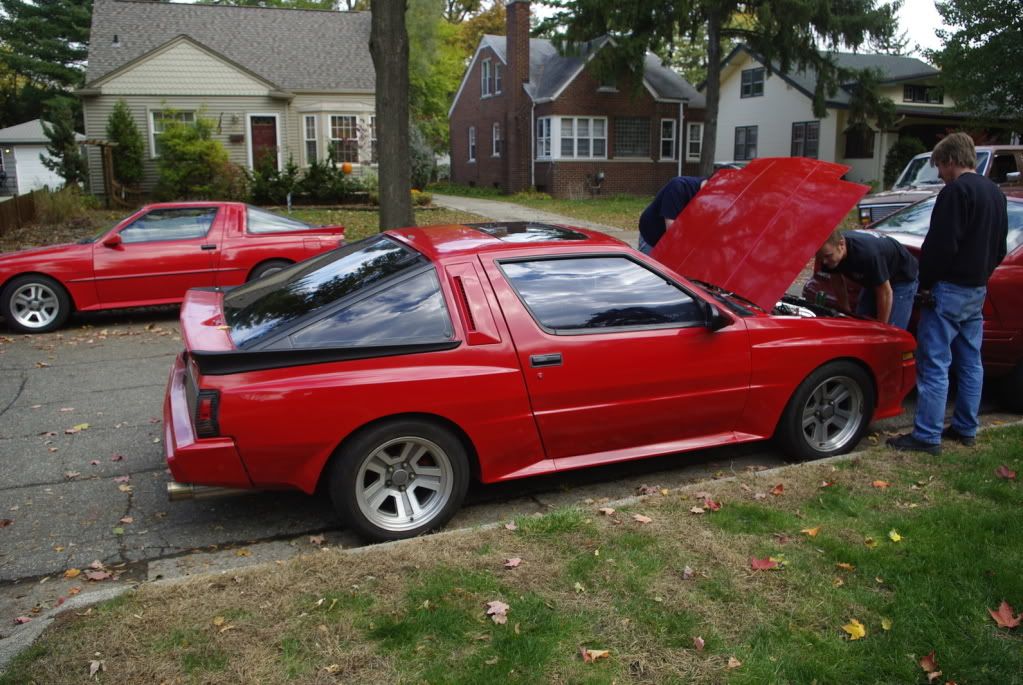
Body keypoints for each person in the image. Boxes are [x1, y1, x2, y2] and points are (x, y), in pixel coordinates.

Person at [888, 132, 1008, 455]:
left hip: (948, 288)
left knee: (935, 362)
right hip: (976, 289)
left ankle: (927, 435)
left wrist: (925, 283)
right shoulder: (995, 194)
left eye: (939, 166)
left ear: (952, 160)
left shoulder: (955, 193)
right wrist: (982, 275)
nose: (939, 174)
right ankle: (966, 427)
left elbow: (941, 246)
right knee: (971, 361)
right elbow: (1000, 247)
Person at [816, 229, 919, 329]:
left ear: (841, 244)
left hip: (901, 277)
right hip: (873, 277)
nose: (824, 261)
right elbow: (837, 282)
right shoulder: (828, 253)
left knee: (892, 330)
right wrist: (845, 312)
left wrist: (881, 328)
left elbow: (885, 293)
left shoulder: (866, 254)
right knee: (861, 321)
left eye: (828, 256)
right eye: (821, 257)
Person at [637, 175, 707, 254]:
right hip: (652, 237)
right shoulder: (678, 186)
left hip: (677, 239)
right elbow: (672, 230)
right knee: (650, 265)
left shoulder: (711, 199)